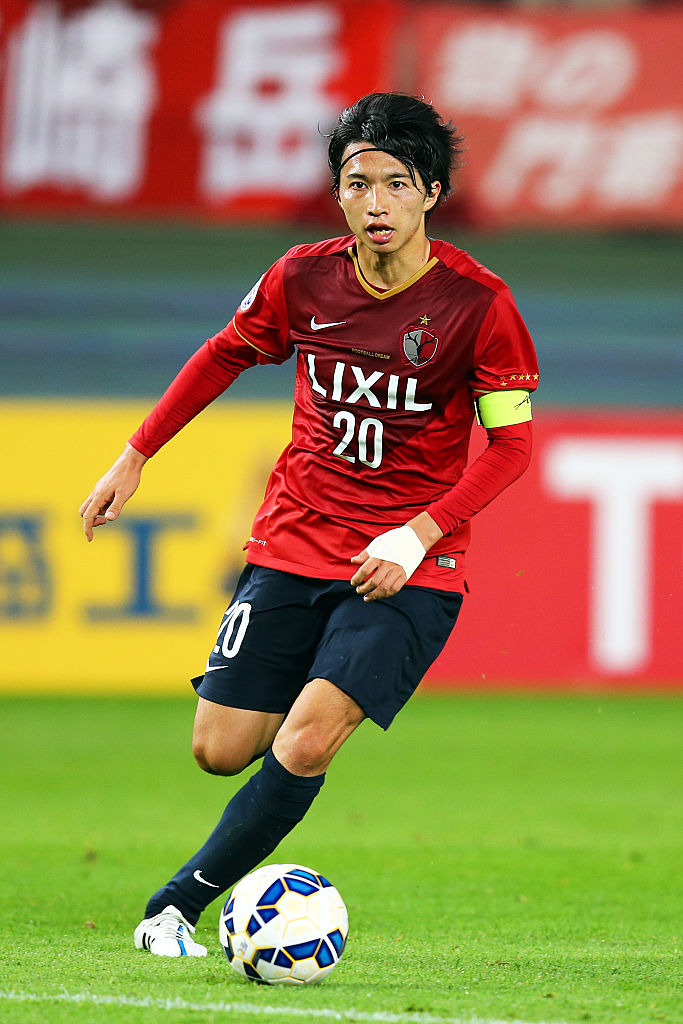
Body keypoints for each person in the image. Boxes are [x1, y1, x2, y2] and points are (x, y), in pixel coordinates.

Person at [80, 92, 539, 958]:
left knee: (306, 737)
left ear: (431, 193)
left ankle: (173, 908)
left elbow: (511, 447)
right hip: (293, 543)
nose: (375, 203)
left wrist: (419, 533)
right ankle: (295, 738)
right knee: (220, 749)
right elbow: (224, 353)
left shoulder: (479, 304)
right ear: (337, 195)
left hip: (406, 566)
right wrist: (135, 455)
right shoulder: (301, 277)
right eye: (356, 184)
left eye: (395, 184)